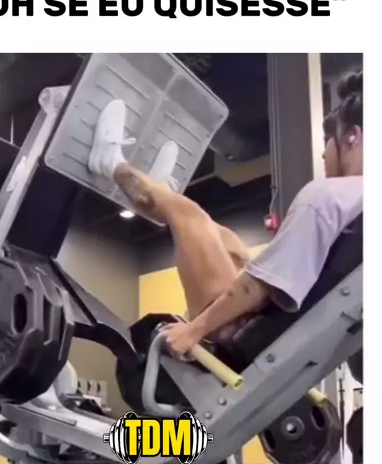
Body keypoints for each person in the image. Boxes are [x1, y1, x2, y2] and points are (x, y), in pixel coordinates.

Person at [88, 71, 363, 357]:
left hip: (236, 338)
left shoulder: (328, 197)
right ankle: (162, 195)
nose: (324, 154)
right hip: (274, 334)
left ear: (353, 137)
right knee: (227, 240)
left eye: (329, 139)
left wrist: (193, 331)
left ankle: (110, 163)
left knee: (189, 215)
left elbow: (260, 284)